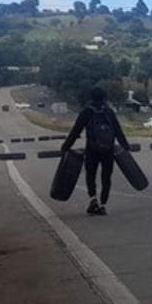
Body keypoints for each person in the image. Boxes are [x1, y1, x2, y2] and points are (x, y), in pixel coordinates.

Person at [61, 86, 129, 216]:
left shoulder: (86, 112)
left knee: (90, 175)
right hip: (108, 150)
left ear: (90, 97)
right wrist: (125, 147)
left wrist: (66, 147)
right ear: (104, 98)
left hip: (92, 149)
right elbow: (118, 131)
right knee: (106, 177)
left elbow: (75, 131)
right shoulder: (109, 112)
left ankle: (93, 199)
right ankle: (103, 205)